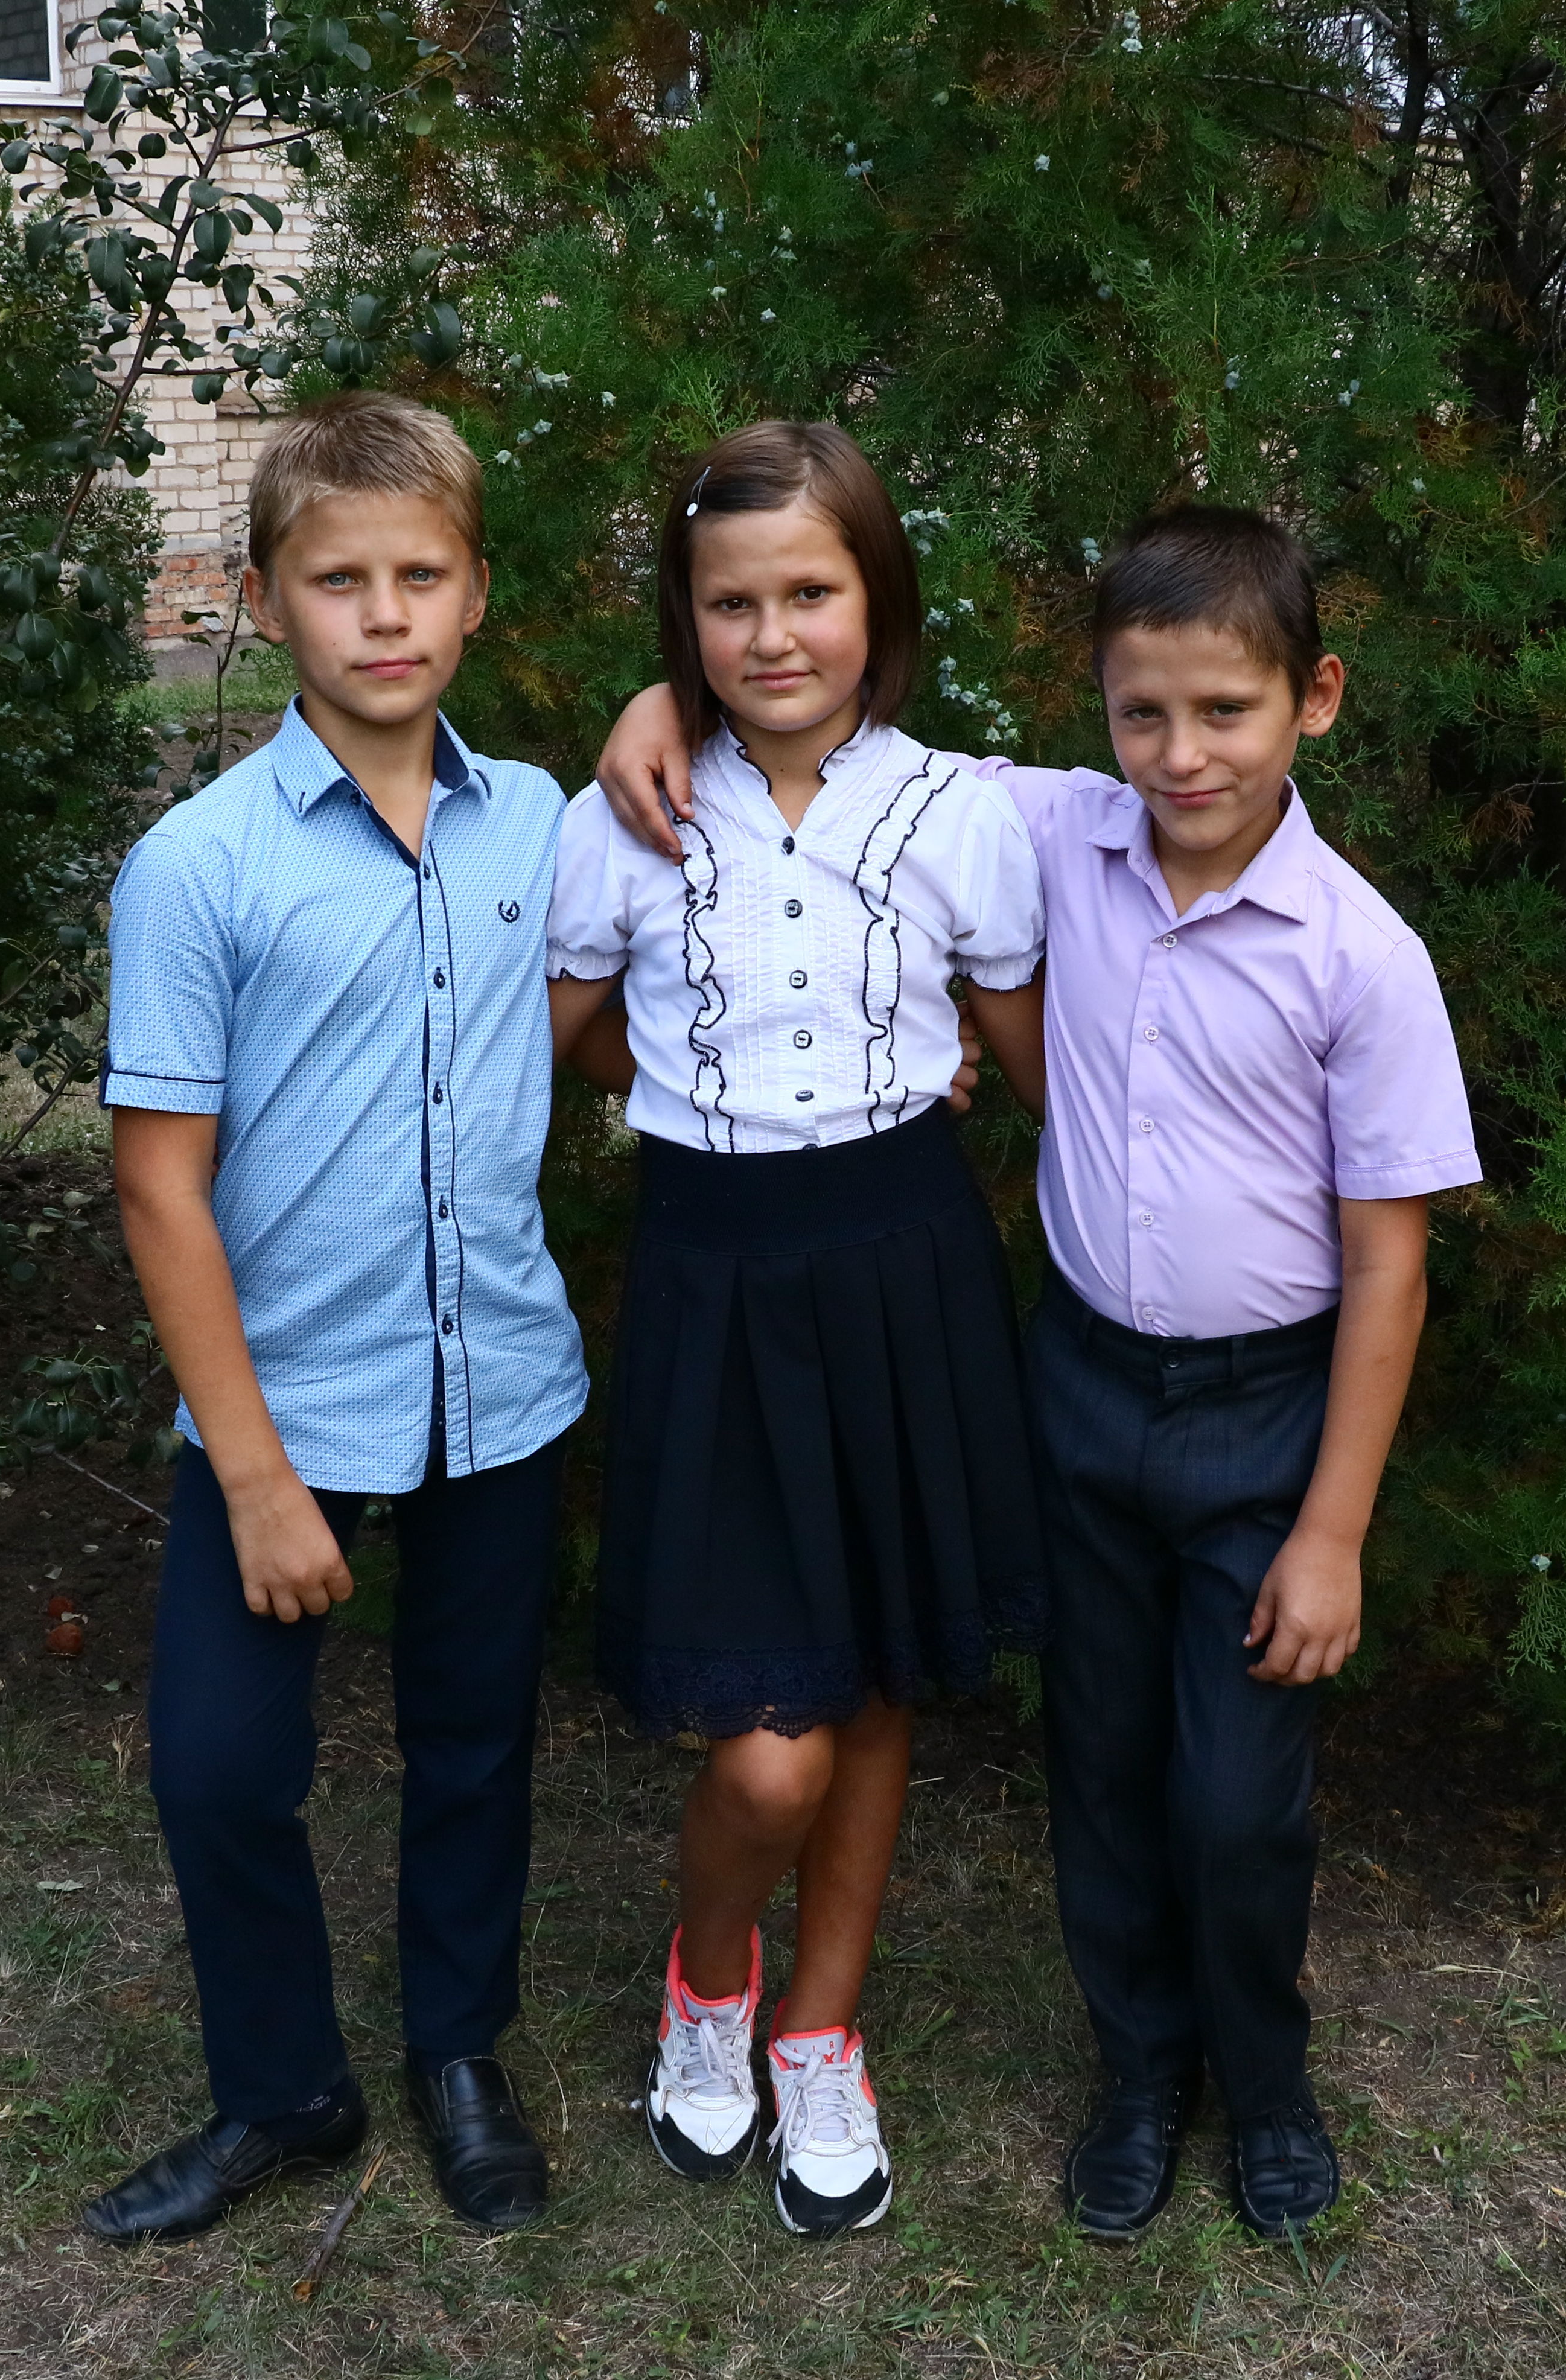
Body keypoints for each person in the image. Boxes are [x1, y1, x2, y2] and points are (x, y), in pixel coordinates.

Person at [594, 504, 1480, 2244]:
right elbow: (820, 734)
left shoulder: (1360, 955)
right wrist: (662, 702)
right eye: (1144, 712)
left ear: (1316, 699)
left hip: (1266, 1413)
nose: (1183, 753)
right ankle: (1138, 2077)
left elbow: (1392, 1261)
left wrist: (1333, 1534)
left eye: (1227, 711)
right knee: (1103, 1763)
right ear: (1103, 707)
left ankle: (1267, 2087)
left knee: (1235, 1797)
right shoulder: (1051, 828)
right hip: (1077, 1387)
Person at [87, 390, 586, 2244]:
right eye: (339, 579)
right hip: (283, 1404)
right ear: (265, 600)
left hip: (499, 1382)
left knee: (476, 1743)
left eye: (422, 576)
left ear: (477, 596)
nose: (385, 615)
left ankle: (460, 2054)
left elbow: (622, 992)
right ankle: (286, 2092)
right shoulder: (202, 866)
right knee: (222, 1767)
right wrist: (254, 1477)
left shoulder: (539, 825)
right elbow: (160, 1186)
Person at [542, 420, 1051, 2237]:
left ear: (879, 601)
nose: (773, 636)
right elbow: (569, 1037)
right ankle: (710, 1977)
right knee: (769, 1744)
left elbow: (1035, 1057)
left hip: (904, 1269)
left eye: (812, 593)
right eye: (730, 603)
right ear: (684, 620)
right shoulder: (626, 815)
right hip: (718, 1273)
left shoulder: (965, 814)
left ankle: (822, 2029)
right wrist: (698, 1088)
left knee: (878, 1678)